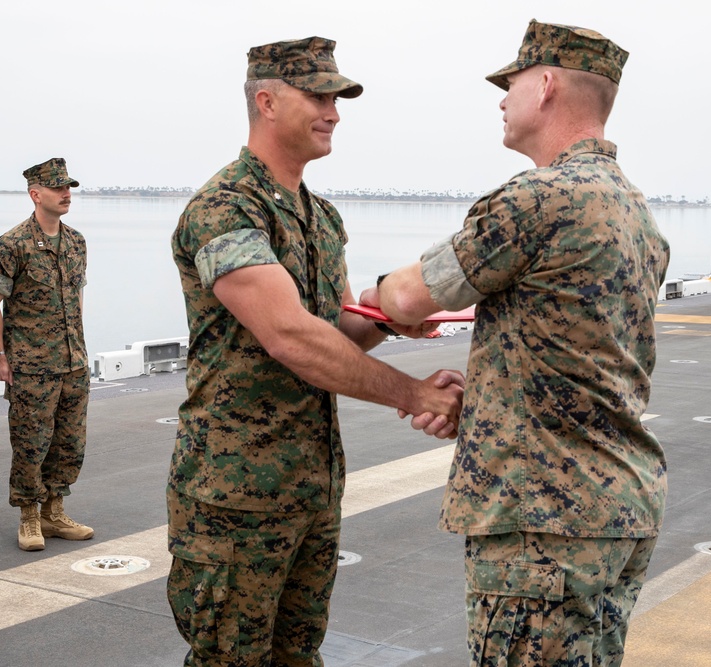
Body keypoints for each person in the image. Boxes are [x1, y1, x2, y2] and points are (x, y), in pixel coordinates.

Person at [358, 20, 670, 666]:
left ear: (547, 85)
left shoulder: (538, 199)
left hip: (543, 529)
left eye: (512, 82)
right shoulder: (635, 211)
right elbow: (584, 359)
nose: (502, 97)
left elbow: (415, 295)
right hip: (617, 513)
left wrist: (381, 297)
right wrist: (490, 403)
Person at [167, 37, 465, 665]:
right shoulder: (226, 208)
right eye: (319, 95)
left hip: (312, 485)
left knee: (298, 655)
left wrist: (387, 315)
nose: (333, 111)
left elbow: (331, 330)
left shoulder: (321, 218)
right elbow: (289, 336)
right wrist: (412, 395)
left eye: (337, 98)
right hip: (236, 495)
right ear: (267, 101)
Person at [0, 158, 93, 552]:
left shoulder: (76, 241)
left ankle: (55, 511)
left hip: (72, 362)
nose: (66, 194)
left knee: (69, 442)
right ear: (35, 194)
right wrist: (0, 356)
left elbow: (77, 297)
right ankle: (29, 515)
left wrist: (78, 345)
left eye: (69, 188)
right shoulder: (12, 245)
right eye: (58, 187)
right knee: (31, 443)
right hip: (32, 366)